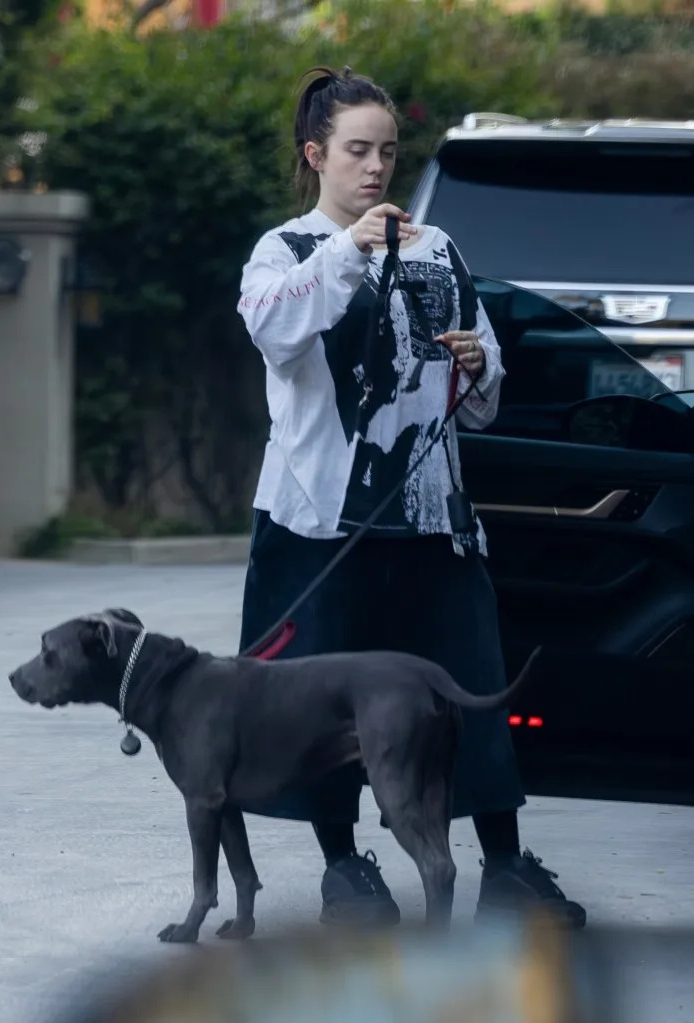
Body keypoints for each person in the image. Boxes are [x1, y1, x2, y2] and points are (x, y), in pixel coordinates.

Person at [235, 65, 585, 930]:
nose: (374, 168)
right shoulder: (286, 250)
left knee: (464, 694)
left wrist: (476, 365)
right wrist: (347, 249)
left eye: (386, 151)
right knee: (320, 708)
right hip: (322, 523)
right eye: (356, 150)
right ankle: (344, 869)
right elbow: (273, 330)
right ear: (314, 153)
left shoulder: (435, 247)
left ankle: (503, 864)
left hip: (431, 517)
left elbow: (484, 385)